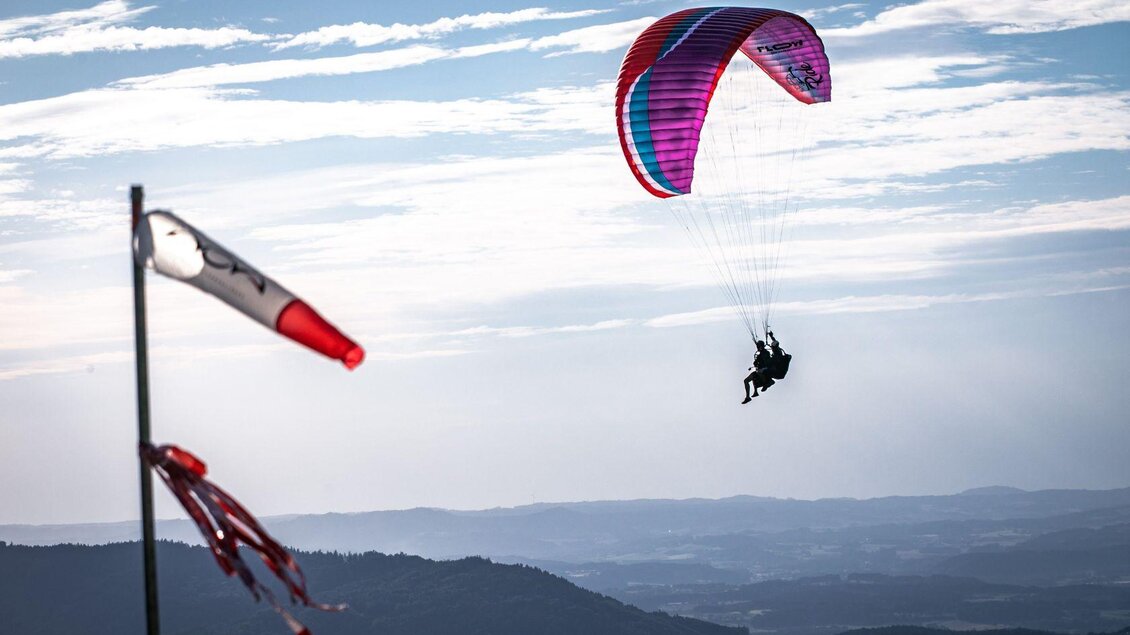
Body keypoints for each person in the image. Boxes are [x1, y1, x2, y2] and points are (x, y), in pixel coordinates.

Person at [741, 339, 774, 404]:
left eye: (758, 346)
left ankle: (766, 383)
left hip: (765, 370)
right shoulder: (760, 354)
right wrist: (756, 362)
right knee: (746, 380)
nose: (758, 348)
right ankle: (748, 397)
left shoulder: (766, 353)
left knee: (758, 372)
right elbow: (757, 362)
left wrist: (759, 361)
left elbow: (767, 362)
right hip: (759, 371)